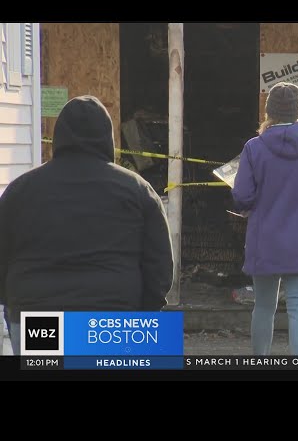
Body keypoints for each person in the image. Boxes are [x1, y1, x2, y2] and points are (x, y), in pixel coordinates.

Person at [0, 95, 174, 355]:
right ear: (108, 138)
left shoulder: (19, 191)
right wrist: (144, 315)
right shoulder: (137, 191)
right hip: (113, 317)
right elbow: (160, 266)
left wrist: (13, 305)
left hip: (36, 316)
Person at [232, 82, 298, 355]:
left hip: (265, 240)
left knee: (264, 307)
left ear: (269, 111)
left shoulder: (254, 148)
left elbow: (242, 197)